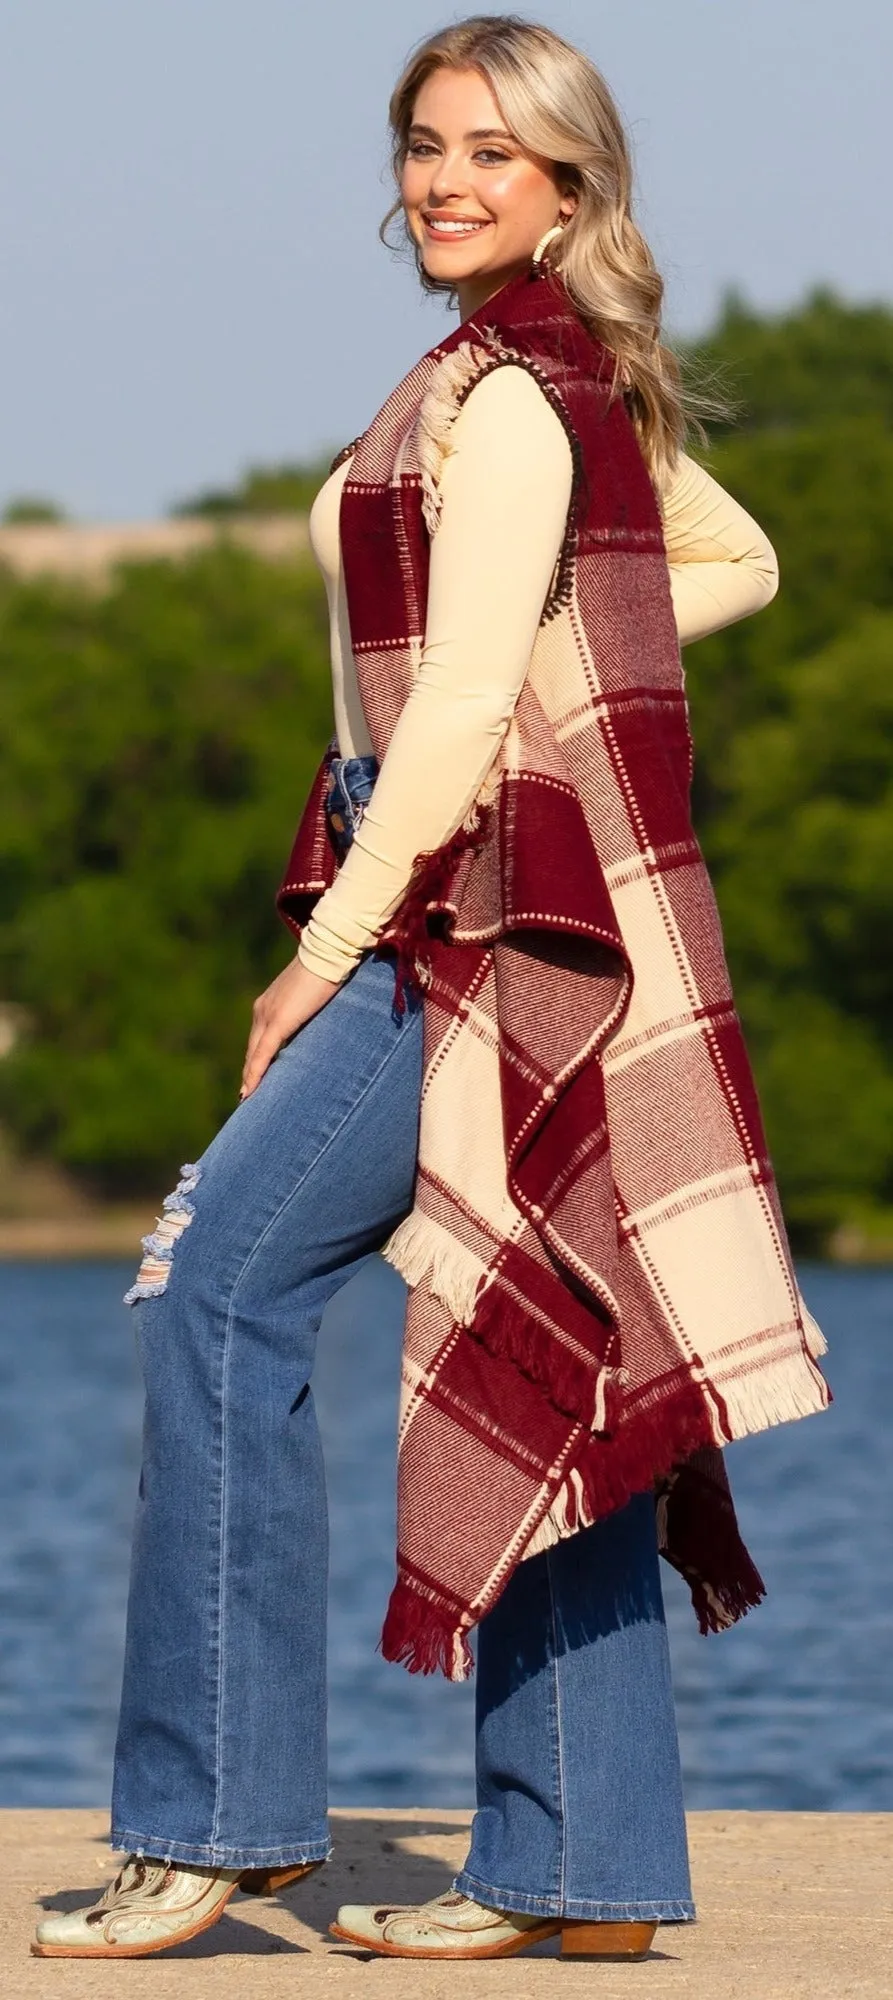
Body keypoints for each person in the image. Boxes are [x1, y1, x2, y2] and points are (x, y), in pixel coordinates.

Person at [33, 14, 829, 1966]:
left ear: (569, 182)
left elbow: (467, 705)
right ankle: (582, 1869)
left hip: (449, 914)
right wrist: (575, 628)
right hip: (496, 888)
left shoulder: (507, 401)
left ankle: (210, 1819)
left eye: (492, 148)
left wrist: (318, 952)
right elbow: (718, 559)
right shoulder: (529, 380)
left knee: (210, 1282)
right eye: (421, 144)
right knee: (547, 1338)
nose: (445, 177)